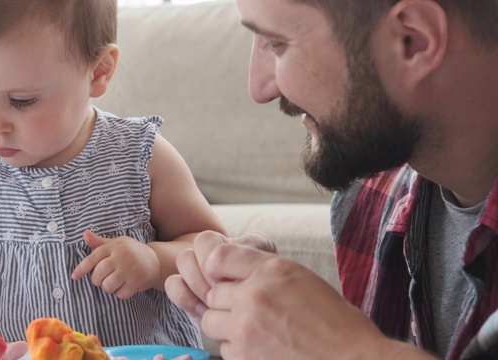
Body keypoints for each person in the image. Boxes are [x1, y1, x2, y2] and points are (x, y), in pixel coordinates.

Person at [0, 0, 226, 350]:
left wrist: (154, 261)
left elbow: (211, 251)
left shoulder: (140, 155)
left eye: (22, 101)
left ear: (99, 72)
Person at [165, 0, 498, 359]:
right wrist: (283, 324)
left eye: (276, 44)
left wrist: (345, 349)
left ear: (412, 40)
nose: (259, 89)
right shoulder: (367, 200)